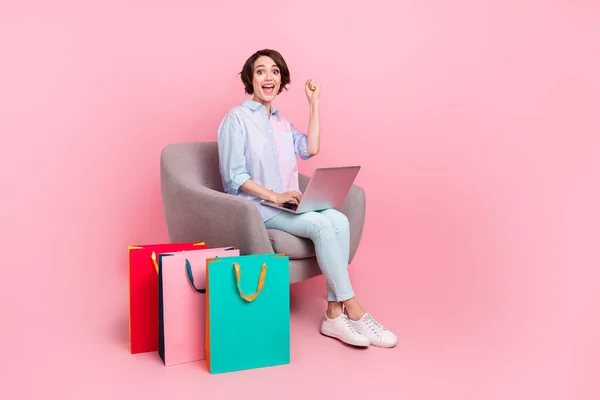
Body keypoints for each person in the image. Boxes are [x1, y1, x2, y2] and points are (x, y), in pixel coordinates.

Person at [216, 49, 397, 348]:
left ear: (281, 79)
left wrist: (314, 104)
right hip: (256, 207)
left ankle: (333, 314)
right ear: (250, 78)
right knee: (321, 226)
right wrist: (275, 195)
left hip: (286, 204)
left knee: (338, 219)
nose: (268, 77)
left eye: (274, 71)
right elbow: (234, 176)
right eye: (260, 71)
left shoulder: (281, 123)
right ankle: (353, 307)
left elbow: (310, 149)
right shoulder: (236, 118)